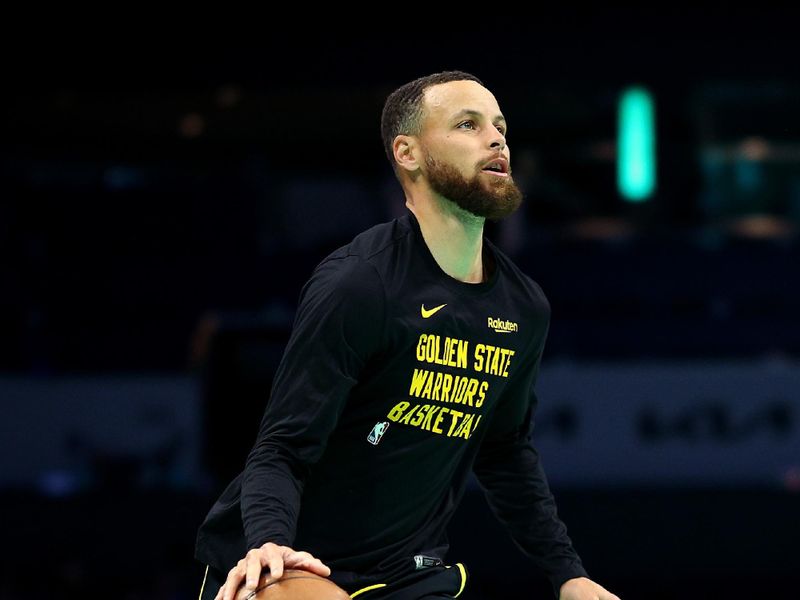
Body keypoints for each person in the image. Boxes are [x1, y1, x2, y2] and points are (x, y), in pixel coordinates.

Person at [196, 71, 621, 600]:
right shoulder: (360, 284)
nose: (496, 139)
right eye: (468, 124)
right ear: (408, 153)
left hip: (409, 573)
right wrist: (268, 542)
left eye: (500, 127)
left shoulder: (523, 306)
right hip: (295, 560)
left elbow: (505, 450)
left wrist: (568, 574)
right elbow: (281, 447)